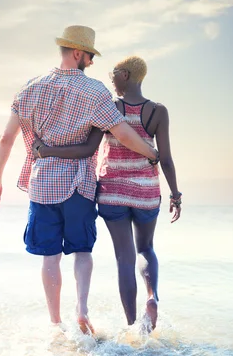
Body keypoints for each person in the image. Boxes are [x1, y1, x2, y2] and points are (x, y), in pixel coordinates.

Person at [0, 26, 160, 335]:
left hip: (42, 187)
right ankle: (81, 309)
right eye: (91, 56)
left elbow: (6, 138)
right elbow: (121, 132)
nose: (92, 63)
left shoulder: (30, 88)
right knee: (82, 251)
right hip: (79, 185)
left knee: (50, 257)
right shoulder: (95, 91)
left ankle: (56, 323)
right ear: (78, 53)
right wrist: (150, 151)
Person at [31, 55, 181, 332]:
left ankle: (132, 325)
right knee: (145, 248)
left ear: (125, 74)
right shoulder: (158, 111)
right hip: (147, 192)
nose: (110, 78)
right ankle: (152, 297)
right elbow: (167, 159)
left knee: (124, 257)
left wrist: (47, 150)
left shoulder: (109, 108)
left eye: (114, 73)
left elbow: (87, 149)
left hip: (112, 193)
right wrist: (175, 194)